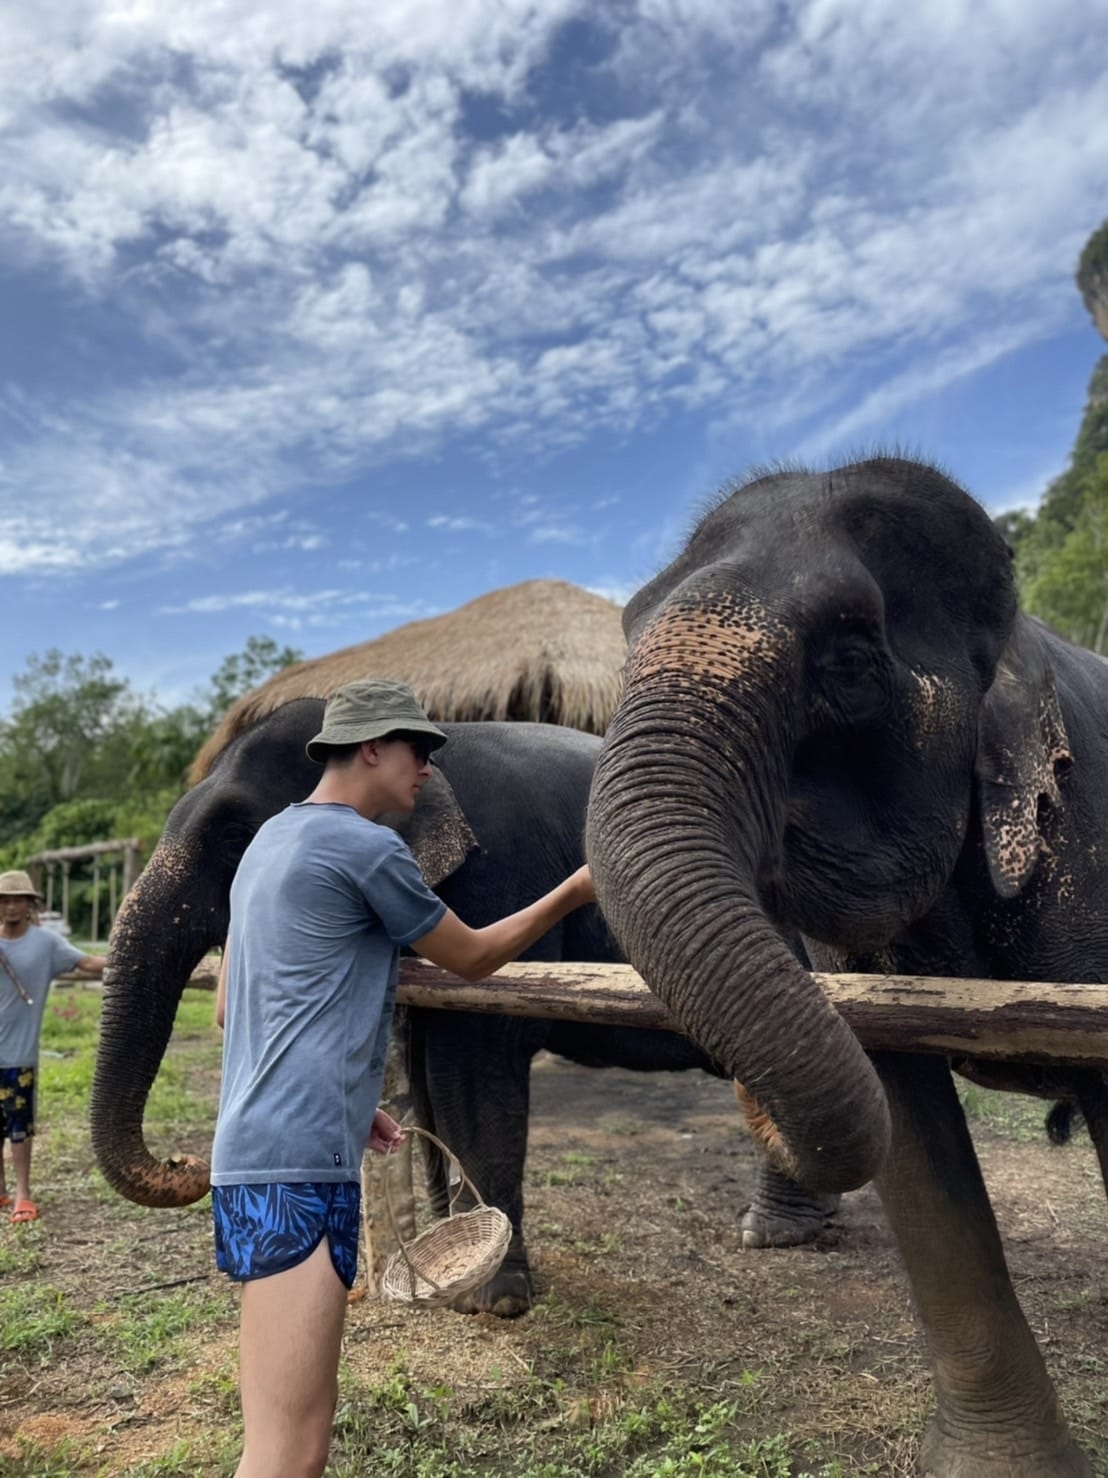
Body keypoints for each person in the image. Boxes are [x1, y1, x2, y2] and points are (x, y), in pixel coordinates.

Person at [211, 678, 596, 1478]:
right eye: (418, 750)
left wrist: (351, 1102)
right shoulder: (367, 847)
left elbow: (235, 1005)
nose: (428, 768)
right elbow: (476, 956)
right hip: (299, 1173)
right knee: (293, 1450)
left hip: (258, 1156)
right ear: (371, 748)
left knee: (274, 1434)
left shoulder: (271, 844)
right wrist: (578, 887)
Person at [0, 869, 105, 1224]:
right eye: (4, 900)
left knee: (19, 1127)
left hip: (18, 1055)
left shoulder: (46, 944)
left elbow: (88, 963)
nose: (11, 906)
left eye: (18, 900)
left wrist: (136, 960)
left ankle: (23, 1195)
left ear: (30, 905)